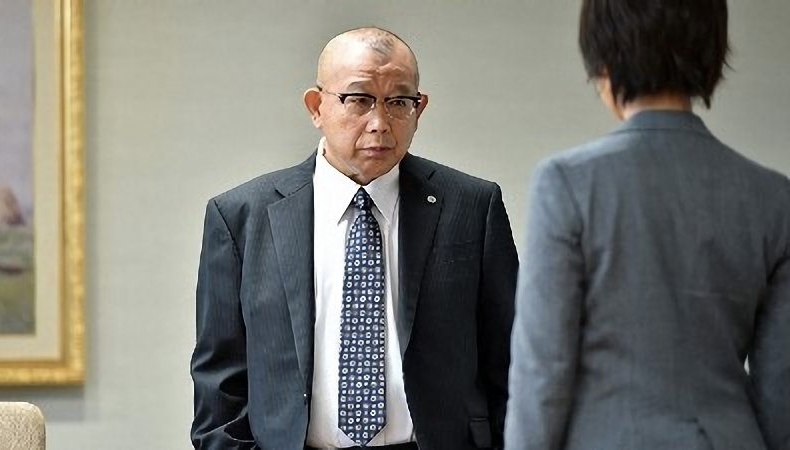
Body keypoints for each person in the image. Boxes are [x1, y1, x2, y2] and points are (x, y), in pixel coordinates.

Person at [191, 27, 518, 450]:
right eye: (359, 99)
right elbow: (220, 385)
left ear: (419, 108)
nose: (380, 124)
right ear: (316, 106)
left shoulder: (472, 207)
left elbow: (511, 363)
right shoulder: (242, 216)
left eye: (398, 102)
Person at [505, 1, 790, 449]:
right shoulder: (773, 197)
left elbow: (543, 369)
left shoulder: (566, 183)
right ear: (712, 52)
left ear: (605, 59)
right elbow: (780, 389)